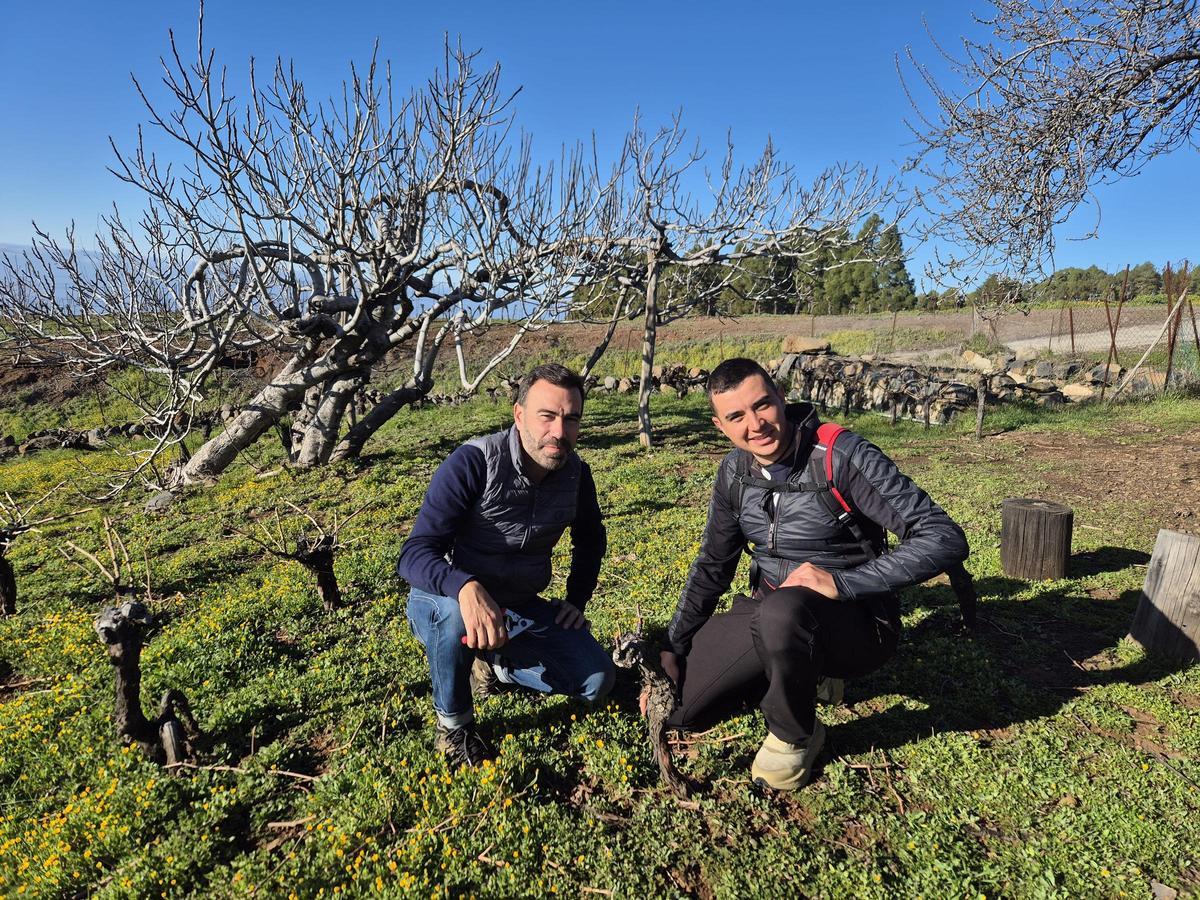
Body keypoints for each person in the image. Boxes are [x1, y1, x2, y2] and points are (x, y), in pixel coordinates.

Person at [659, 358, 969, 790]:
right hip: (768, 611)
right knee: (683, 710)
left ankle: (795, 735)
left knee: (783, 614)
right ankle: (796, 669)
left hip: (855, 621)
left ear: (781, 398)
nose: (756, 424)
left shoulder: (841, 456)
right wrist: (675, 645)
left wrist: (842, 583)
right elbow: (713, 563)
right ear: (720, 425)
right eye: (736, 416)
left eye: (762, 405)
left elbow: (943, 537)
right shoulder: (734, 472)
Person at [397, 364, 614, 768]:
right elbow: (414, 553)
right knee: (454, 617)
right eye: (547, 416)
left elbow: (590, 537)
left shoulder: (577, 475)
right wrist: (464, 586)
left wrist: (577, 598)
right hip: (444, 599)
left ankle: (494, 666)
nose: (558, 431)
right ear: (519, 415)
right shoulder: (473, 462)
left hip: (518, 604)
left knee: (597, 680)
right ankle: (454, 727)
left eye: (571, 419)